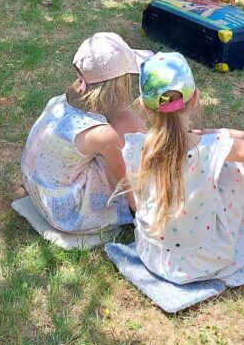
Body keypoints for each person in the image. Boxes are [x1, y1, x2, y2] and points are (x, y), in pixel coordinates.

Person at [122, 52, 244, 286]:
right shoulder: (212, 146)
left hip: (154, 255)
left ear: (145, 107)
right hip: (204, 260)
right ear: (195, 98)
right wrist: (224, 133)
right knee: (242, 163)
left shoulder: (135, 145)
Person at [20, 32, 149, 233]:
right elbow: (126, 180)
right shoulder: (103, 135)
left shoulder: (59, 101)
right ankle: (157, 159)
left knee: (125, 118)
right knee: (130, 126)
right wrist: (139, 211)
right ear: (120, 83)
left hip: (38, 188)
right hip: (67, 213)